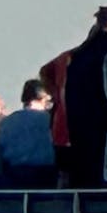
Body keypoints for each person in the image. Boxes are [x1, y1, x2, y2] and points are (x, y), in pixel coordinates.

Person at [63, 5, 107, 190]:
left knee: (86, 165)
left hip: (78, 121)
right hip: (103, 121)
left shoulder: (80, 53)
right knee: (105, 167)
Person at [0, 80, 59, 190]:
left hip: (14, 177)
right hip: (45, 176)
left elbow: (0, 151)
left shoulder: (7, 122)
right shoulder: (49, 120)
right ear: (43, 99)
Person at [38, 48, 72, 187]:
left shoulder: (67, 57)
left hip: (61, 128)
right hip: (69, 129)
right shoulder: (75, 57)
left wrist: (55, 94)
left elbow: (44, 71)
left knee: (63, 172)